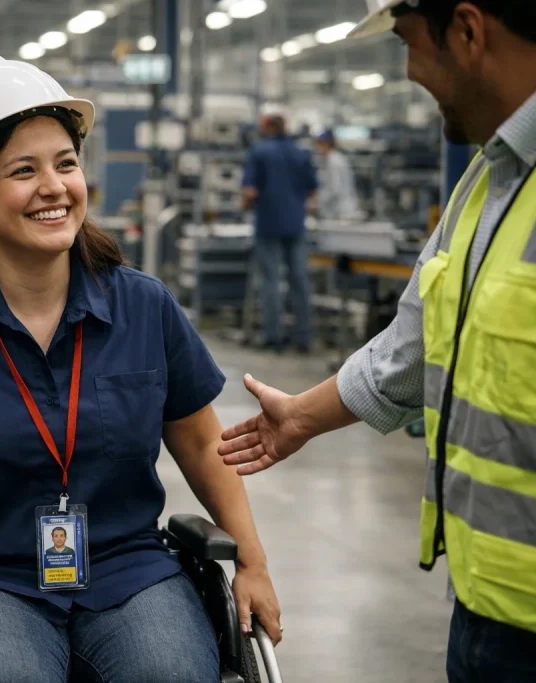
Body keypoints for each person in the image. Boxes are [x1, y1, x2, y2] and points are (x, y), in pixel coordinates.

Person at [0, 55, 282, 682]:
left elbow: (203, 442)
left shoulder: (142, 307)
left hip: (126, 568)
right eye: (24, 170)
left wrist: (254, 563)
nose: (54, 187)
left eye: (65, 164)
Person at [219, 2, 536, 681]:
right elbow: (416, 342)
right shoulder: (488, 180)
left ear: (468, 31)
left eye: (405, 41)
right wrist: (303, 414)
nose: (407, 69)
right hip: (485, 606)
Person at [242, 113, 319, 353]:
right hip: (295, 225)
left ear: (266, 126)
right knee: (300, 281)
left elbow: (250, 191)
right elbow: (312, 190)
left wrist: (244, 206)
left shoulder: (259, 152)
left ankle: (273, 337)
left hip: (268, 225)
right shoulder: (300, 153)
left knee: (271, 282)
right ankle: (304, 338)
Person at [315, 130, 361, 221]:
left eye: (319, 144)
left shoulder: (334, 161)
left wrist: (318, 201)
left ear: (326, 144)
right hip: (337, 210)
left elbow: (335, 189)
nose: (317, 148)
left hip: (340, 211)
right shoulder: (333, 158)